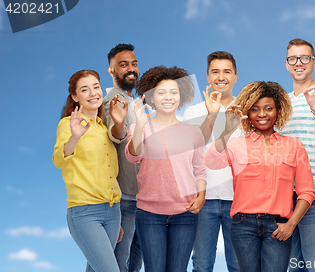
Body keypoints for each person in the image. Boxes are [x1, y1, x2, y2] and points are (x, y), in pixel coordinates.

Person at [204, 81, 315, 272]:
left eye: (268, 108)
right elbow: (212, 161)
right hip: (242, 226)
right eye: (255, 109)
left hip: (278, 226)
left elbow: (307, 192)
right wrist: (227, 129)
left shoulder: (294, 145)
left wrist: (291, 224)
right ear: (247, 112)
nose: (262, 114)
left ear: (278, 110)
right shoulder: (237, 144)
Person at [125, 66, 206, 272]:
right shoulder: (139, 128)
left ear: (182, 96)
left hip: (185, 213)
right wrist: (141, 125)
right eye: (161, 92)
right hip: (149, 213)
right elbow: (133, 156)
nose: (168, 97)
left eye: (174, 92)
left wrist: (201, 195)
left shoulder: (193, 132)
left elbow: (199, 168)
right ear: (151, 96)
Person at [53, 70, 128, 272]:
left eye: (96, 87)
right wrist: (75, 137)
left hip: (112, 212)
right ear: (76, 97)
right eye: (85, 89)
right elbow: (58, 159)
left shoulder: (103, 129)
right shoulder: (68, 125)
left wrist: (115, 215)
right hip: (85, 212)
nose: (93, 93)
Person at [281, 38, 315, 272]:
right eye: (293, 58)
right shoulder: (281, 101)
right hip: (284, 195)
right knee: (292, 267)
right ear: (287, 64)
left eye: (304, 58)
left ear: (314, 62)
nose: (299, 63)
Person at [183, 51, 240, 272]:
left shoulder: (247, 110)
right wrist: (212, 115)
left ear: (235, 76)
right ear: (207, 76)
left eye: (227, 71)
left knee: (239, 264)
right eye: (215, 72)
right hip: (203, 201)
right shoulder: (193, 111)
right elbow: (192, 147)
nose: (221, 77)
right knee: (202, 264)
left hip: (238, 200)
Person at [102, 43, 143, 272]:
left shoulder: (136, 103)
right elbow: (115, 135)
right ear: (112, 70)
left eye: (134, 64)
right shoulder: (113, 100)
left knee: (134, 262)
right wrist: (119, 125)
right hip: (124, 198)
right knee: (118, 262)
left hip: (142, 197)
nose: (131, 68)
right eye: (123, 64)